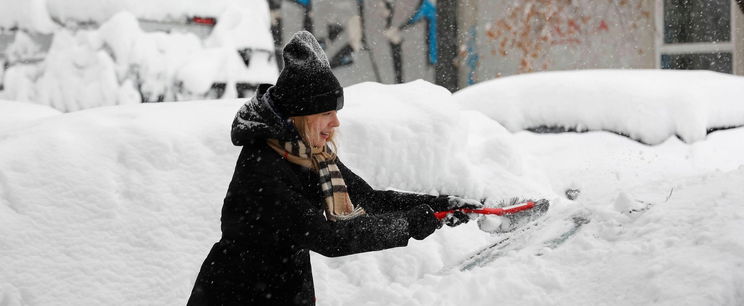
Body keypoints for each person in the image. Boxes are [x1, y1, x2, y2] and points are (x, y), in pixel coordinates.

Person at [187, 31, 481, 306]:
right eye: (327, 113)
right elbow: (330, 237)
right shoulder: (263, 166)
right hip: (237, 294)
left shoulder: (311, 155)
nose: (336, 123)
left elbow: (369, 199)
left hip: (284, 290)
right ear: (301, 116)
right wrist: (409, 224)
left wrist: (440, 205)